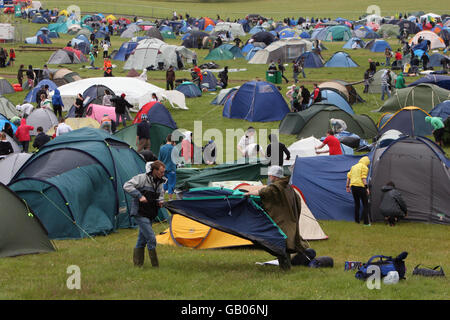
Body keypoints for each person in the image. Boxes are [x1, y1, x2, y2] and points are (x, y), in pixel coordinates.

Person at [244, 165, 310, 270]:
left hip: (282, 222)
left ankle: (285, 268)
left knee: (280, 244)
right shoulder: (287, 186)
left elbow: (263, 192)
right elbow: (296, 200)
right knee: (285, 244)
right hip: (289, 220)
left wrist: (248, 193)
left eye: (270, 175)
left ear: (275, 176)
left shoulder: (276, 187)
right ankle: (286, 267)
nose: (269, 177)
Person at [123, 160, 167, 268]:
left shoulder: (161, 182)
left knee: (141, 240)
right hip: (140, 212)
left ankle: (138, 266)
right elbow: (126, 186)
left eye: (163, 172)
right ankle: (155, 266)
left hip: (151, 213)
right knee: (151, 238)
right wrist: (139, 196)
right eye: (161, 172)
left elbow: (161, 194)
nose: (163, 174)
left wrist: (160, 201)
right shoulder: (142, 178)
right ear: (154, 170)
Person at [346, 156, 371, 225]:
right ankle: (366, 223)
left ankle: (357, 221)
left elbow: (348, 177)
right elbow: (363, 178)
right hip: (361, 187)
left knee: (357, 204)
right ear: (366, 162)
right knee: (365, 204)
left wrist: (347, 186)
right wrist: (367, 188)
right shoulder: (364, 167)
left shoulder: (353, 166)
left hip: (353, 187)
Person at [158, 134, 177, 200]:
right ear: (173, 141)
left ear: (167, 139)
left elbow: (159, 159)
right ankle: (170, 199)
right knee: (171, 184)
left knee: (164, 184)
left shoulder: (162, 148)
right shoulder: (174, 148)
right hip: (171, 169)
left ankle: (161, 197)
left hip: (163, 169)